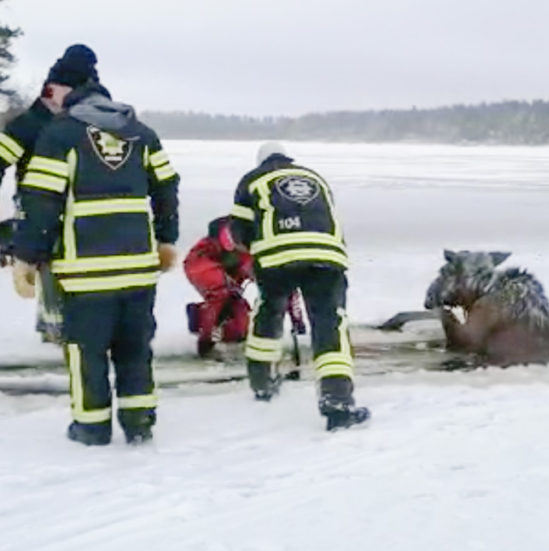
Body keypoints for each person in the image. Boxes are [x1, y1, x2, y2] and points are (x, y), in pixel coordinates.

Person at [11, 79, 179, 446]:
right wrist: (167, 240)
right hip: (137, 266)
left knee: (86, 349)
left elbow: (41, 200)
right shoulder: (143, 134)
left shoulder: (60, 135)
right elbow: (167, 188)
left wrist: (26, 256)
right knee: (135, 347)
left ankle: (92, 426)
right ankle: (139, 422)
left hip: (84, 270)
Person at [229, 142, 368, 431]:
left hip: (276, 257)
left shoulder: (252, 179)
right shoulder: (314, 177)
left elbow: (237, 230)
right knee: (329, 324)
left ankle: (262, 382)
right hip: (325, 256)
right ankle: (337, 402)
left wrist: (252, 252)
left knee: (269, 312)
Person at [2, 44, 100, 344]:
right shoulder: (28, 125)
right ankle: (55, 330)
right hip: (38, 208)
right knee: (47, 265)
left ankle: (68, 328)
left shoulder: (84, 124)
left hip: (80, 209)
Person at [183, 216, 254, 357]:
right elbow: (229, 242)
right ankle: (206, 342)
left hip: (232, 267)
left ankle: (201, 318)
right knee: (219, 292)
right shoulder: (238, 229)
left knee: (238, 325)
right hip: (202, 260)